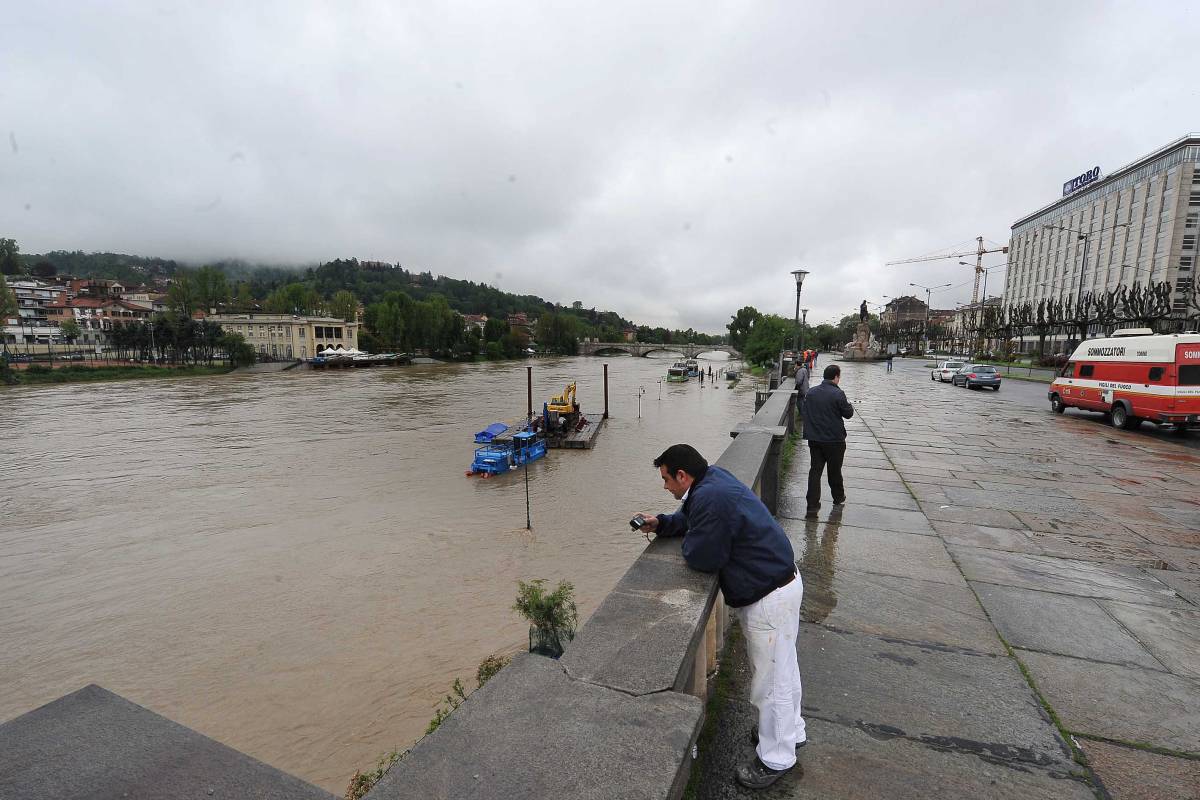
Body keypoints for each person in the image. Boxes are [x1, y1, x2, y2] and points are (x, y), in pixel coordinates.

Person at [636, 444, 805, 790]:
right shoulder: (712, 480)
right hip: (780, 582)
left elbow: (703, 557)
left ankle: (777, 757)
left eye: (666, 479)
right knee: (784, 668)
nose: (665, 487)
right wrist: (665, 523)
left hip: (768, 596)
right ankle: (792, 730)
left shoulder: (709, 497)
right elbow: (692, 517)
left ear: (683, 476)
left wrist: (688, 542)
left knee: (769, 684)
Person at [801, 364, 854, 519]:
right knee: (834, 471)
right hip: (834, 441)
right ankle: (838, 498)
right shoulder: (838, 394)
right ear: (836, 377)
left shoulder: (811, 392)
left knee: (815, 471)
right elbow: (848, 414)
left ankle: (812, 506)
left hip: (815, 439)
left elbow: (805, 412)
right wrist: (849, 405)